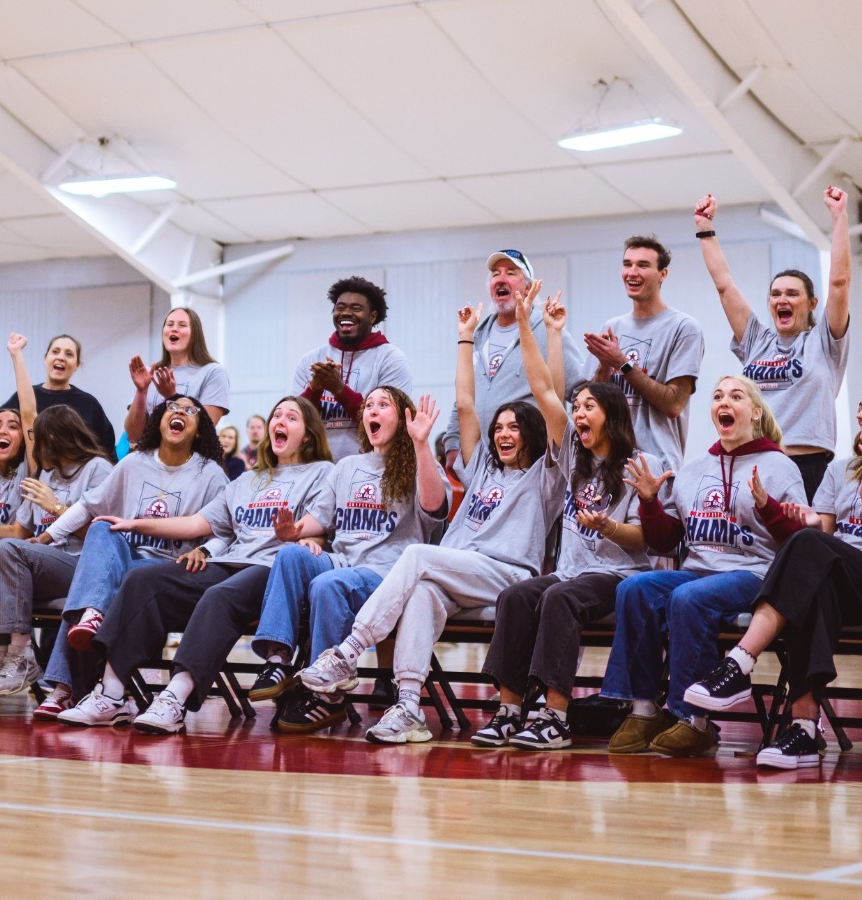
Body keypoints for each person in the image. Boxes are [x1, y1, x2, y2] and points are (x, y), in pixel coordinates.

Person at [300, 284, 571, 745]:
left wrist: (532, 325)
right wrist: (465, 338)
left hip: (506, 573)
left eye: (513, 428)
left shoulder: (547, 473)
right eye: (498, 427)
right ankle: (408, 706)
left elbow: (550, 395)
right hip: (458, 570)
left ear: (530, 434)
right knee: (422, 588)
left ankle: (348, 650)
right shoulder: (483, 464)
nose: (503, 434)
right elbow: (466, 403)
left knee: (420, 557)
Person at [682, 381, 862, 769]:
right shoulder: (841, 470)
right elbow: (821, 534)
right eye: (858, 406)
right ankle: (804, 729)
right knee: (810, 584)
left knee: (808, 549)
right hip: (836, 579)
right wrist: (807, 521)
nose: (859, 415)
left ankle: (740, 661)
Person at [57, 397, 337, 731]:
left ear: (307, 435)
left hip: (273, 568)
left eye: (291, 417)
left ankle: (174, 699)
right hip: (231, 560)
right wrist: (134, 523)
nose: (280, 420)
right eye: (276, 414)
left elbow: (323, 526)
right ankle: (111, 695)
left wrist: (306, 536)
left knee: (220, 596)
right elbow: (194, 524)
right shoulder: (248, 480)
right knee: (142, 581)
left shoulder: (324, 472)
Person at [600, 376, 807, 757]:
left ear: (756, 412)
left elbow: (798, 541)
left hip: (755, 573)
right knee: (633, 588)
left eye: (735, 396)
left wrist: (767, 507)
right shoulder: (694, 469)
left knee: (687, 597)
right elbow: (665, 540)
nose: (724, 402)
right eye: (717, 396)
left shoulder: (779, 466)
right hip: (698, 570)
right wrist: (648, 504)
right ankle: (643, 709)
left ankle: (693, 718)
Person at [247, 385, 450, 733]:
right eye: (368, 405)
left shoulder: (419, 462)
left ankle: (325, 697)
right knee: (290, 557)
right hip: (343, 561)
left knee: (328, 585)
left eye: (382, 405)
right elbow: (321, 518)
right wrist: (294, 531)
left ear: (402, 418)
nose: (372, 410)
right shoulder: (347, 467)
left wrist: (421, 444)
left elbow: (435, 508)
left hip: (388, 574)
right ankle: (278, 660)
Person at [476, 373, 650, 750]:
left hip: (618, 574)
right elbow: (542, 389)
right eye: (576, 408)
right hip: (570, 571)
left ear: (614, 415)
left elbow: (644, 539)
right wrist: (528, 322)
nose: (579, 414)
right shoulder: (575, 456)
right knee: (516, 596)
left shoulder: (640, 464)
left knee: (560, 598)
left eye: (590, 406)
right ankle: (510, 710)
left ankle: (555, 717)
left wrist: (608, 527)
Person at [28, 391, 229, 718]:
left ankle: (66, 688)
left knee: (92, 591)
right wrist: (48, 536)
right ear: (160, 420)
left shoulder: (211, 474)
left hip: (173, 570)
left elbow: (226, 529)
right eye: (172, 407)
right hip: (125, 563)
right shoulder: (135, 463)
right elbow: (87, 506)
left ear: (199, 429)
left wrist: (206, 549)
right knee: (100, 528)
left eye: (190, 411)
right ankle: (92, 618)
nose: (179, 412)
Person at [695, 189, 852, 498]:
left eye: (792, 294)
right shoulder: (757, 341)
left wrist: (839, 218)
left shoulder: (824, 341)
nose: (783, 299)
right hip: (757, 461)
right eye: (776, 294)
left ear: (811, 303)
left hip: (807, 464)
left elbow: (840, 284)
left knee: (802, 544)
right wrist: (705, 229)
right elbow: (724, 285)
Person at [0, 394, 117, 701]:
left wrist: (58, 507)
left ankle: (23, 657)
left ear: (54, 438)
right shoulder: (44, 473)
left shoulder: (98, 468)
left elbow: (106, 534)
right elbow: (20, 532)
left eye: (36, 438)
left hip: (83, 565)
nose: (32, 447)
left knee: (8, 549)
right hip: (46, 564)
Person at [439, 250, 583, 469]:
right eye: (496, 274)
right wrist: (452, 443)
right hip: (483, 467)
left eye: (511, 273)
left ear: (528, 287)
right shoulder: (477, 335)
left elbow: (580, 390)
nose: (501, 279)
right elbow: (464, 399)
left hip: (532, 464)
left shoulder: (548, 331)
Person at [584, 236, 705, 476]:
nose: (632, 272)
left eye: (643, 265)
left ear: (663, 274)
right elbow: (592, 406)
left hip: (656, 468)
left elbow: (673, 404)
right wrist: (604, 368)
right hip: (608, 466)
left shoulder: (684, 328)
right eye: (627, 264)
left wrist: (622, 363)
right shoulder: (611, 326)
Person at [292, 277, 414, 460]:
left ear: (372, 316)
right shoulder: (310, 360)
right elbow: (295, 424)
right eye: (340, 308)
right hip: (318, 470)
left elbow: (391, 425)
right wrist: (314, 389)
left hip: (372, 470)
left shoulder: (391, 359)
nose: (346, 313)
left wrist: (339, 390)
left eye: (356, 308)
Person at [123, 307, 230, 443]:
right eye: (170, 324)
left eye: (182, 325)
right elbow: (133, 435)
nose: (174, 329)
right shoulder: (150, 373)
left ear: (195, 335)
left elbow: (203, 433)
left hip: (190, 461)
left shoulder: (213, 372)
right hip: (149, 458)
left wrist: (172, 397)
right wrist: (141, 391)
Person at [0, 333, 115, 454]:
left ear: (77, 364)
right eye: (55, 351)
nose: (61, 357)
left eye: (68, 354)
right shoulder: (25, 396)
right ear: (45, 358)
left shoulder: (89, 404)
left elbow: (107, 450)